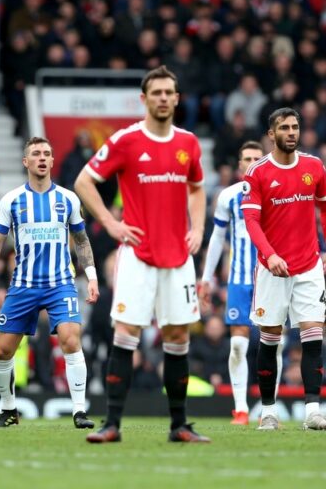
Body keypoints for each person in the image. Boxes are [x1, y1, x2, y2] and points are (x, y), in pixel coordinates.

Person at [75, 65, 210, 443]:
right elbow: (84, 181)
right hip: (137, 254)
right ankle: (112, 424)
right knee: (126, 332)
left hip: (178, 256)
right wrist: (109, 223)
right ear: (144, 99)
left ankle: (179, 425)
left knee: (178, 335)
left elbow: (197, 188)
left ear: (177, 99)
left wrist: (197, 228)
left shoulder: (188, 143)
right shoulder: (125, 140)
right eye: (157, 93)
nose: (164, 98)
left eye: (169, 92)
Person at [0, 137, 99, 430]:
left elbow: (82, 241)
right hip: (23, 285)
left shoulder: (68, 198)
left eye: (47, 153)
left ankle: (79, 411)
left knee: (71, 338)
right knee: (2, 351)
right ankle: (8, 409)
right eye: (36, 153)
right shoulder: (11, 200)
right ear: (26, 162)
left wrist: (92, 276)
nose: (43, 158)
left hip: (61, 283)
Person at [239, 107, 326, 431]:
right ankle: (269, 411)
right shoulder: (258, 173)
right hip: (272, 269)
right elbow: (251, 220)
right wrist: (270, 254)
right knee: (271, 337)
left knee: (313, 334)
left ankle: (312, 411)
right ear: (271, 134)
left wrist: (325, 251)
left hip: (308, 265)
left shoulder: (314, 166)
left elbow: (324, 207)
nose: (291, 132)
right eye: (284, 128)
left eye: (295, 127)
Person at [199, 141, 269, 425]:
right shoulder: (228, 196)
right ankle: (240, 408)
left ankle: (268, 408)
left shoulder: (275, 190)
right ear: (239, 164)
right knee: (238, 345)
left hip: (270, 278)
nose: (252, 162)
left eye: (257, 158)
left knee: (270, 344)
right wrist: (206, 277)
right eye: (247, 158)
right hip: (239, 281)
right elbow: (217, 238)